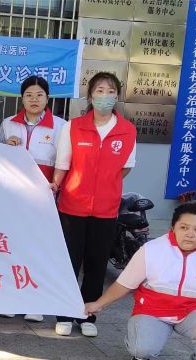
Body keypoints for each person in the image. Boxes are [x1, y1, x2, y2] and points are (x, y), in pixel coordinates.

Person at [84, 203, 196, 360]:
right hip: (152, 310)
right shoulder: (152, 249)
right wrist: (99, 304)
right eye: (184, 227)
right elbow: (125, 283)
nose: (190, 234)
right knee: (142, 348)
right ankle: (141, 348)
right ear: (173, 227)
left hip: (193, 310)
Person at [50, 72, 138, 337]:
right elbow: (63, 163)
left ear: (117, 96)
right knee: (69, 261)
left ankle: (88, 314)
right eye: (99, 90)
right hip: (72, 205)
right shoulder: (74, 126)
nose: (105, 96)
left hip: (106, 209)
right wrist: (56, 185)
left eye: (111, 91)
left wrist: (105, 185)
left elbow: (126, 167)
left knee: (97, 263)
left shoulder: (127, 130)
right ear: (90, 96)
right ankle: (64, 313)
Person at [0, 76, 67, 324]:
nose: (34, 99)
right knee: (13, 246)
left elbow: (64, 161)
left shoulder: (61, 127)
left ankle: (35, 302)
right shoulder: (8, 124)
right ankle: (11, 298)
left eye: (39, 95)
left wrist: (55, 186)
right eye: (28, 95)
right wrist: (6, 147)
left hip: (44, 197)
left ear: (47, 98)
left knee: (38, 249)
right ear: (22, 98)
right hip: (14, 197)